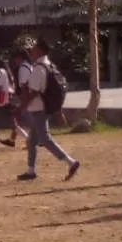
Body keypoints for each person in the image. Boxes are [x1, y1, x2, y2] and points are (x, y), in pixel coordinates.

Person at [15, 38, 80, 183]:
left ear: (40, 51)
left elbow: (34, 92)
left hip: (39, 108)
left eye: (34, 49)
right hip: (41, 107)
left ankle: (71, 162)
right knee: (32, 140)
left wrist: (21, 107)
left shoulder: (39, 68)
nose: (31, 51)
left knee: (44, 138)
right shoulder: (48, 64)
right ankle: (31, 170)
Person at [0, 54, 26, 151]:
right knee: (13, 124)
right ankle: (29, 140)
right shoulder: (8, 72)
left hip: (3, 98)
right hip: (10, 98)